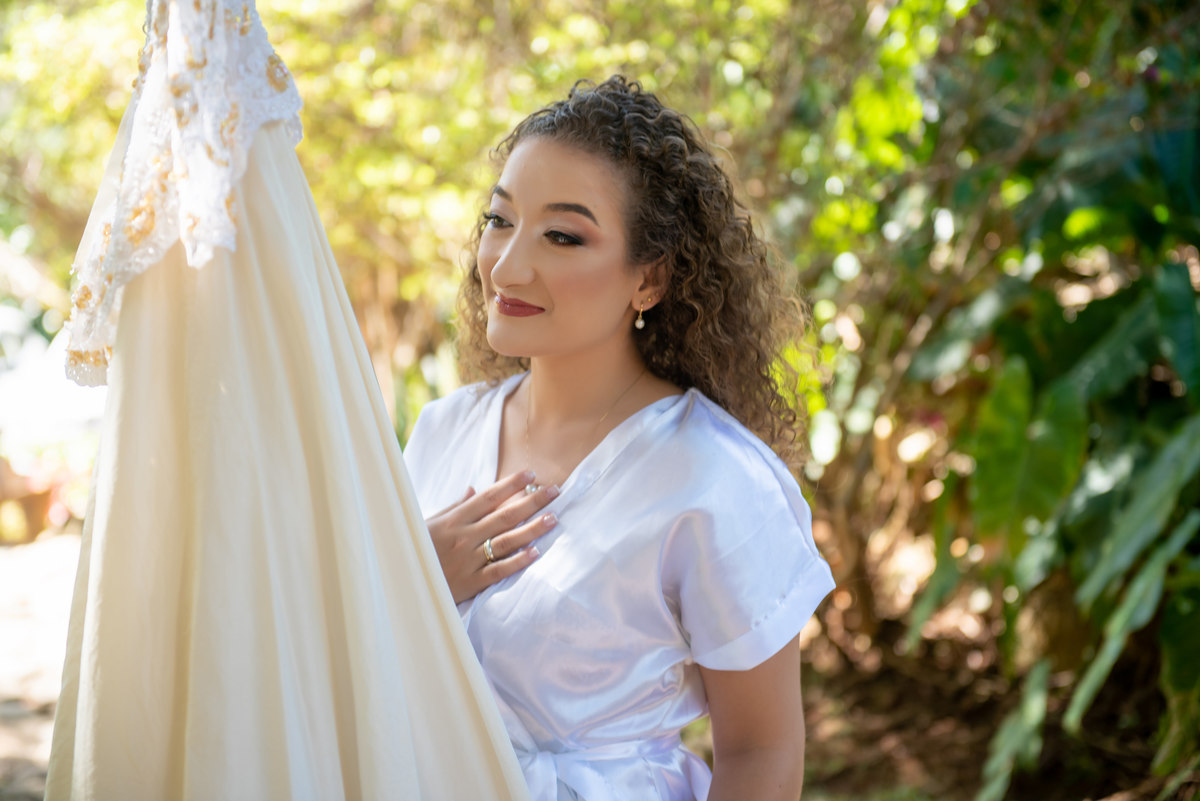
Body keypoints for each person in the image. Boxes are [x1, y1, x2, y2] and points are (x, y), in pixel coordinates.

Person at [401, 76, 836, 801]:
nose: (505, 265)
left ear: (650, 279)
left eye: (563, 236)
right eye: (499, 219)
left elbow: (762, 753)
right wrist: (413, 582)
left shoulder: (715, 478)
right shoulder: (440, 433)